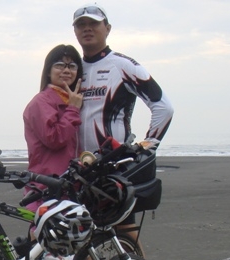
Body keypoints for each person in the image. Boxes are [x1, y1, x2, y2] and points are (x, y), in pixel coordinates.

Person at [72, 3, 174, 153]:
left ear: (108, 29)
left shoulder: (124, 66)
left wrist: (146, 148)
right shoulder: (73, 70)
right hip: (77, 166)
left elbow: (164, 108)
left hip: (115, 164)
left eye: (94, 23)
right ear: (75, 31)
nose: (87, 28)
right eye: (81, 25)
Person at [23, 44, 84, 210]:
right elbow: (54, 138)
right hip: (47, 188)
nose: (66, 70)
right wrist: (72, 110)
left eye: (72, 66)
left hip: (68, 186)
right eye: (59, 65)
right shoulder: (41, 102)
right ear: (48, 71)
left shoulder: (72, 100)